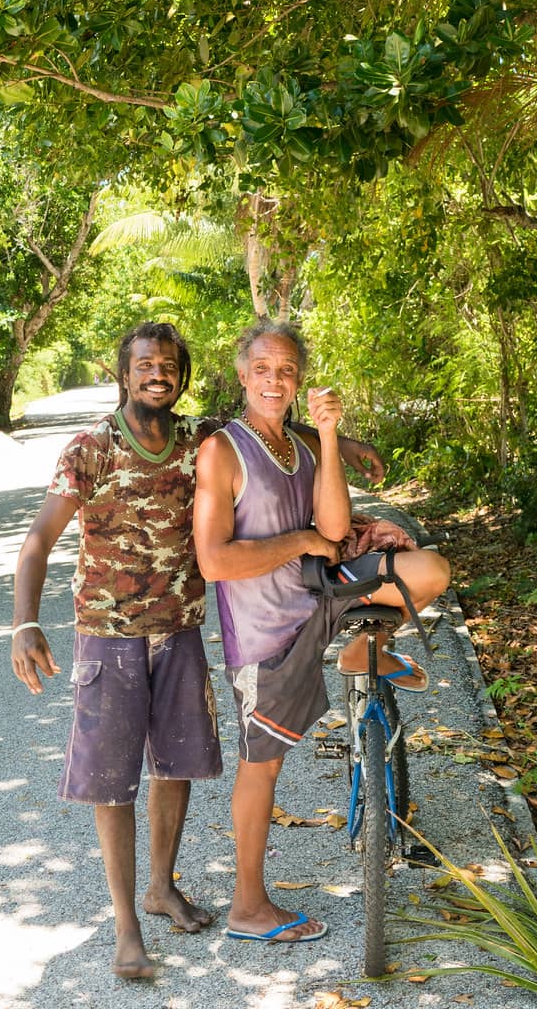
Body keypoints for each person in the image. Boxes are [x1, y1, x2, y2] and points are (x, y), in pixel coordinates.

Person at [10, 320, 385, 979]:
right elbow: (39, 540)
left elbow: (270, 417)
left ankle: (160, 886)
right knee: (114, 781)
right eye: (144, 364)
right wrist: (24, 624)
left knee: (174, 766)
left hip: (179, 628)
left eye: (168, 366)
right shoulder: (89, 449)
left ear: (180, 377)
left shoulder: (196, 437)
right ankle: (127, 926)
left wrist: (341, 444)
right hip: (109, 632)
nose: (157, 373)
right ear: (124, 373)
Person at [192, 320, 451, 943]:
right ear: (241, 374)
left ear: (299, 379)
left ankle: (365, 649)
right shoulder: (223, 451)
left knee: (429, 569)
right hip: (266, 634)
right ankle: (248, 907)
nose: (274, 381)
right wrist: (304, 541)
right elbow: (215, 562)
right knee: (264, 766)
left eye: (286, 370)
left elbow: (332, 529)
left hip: (322, 596)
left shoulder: (301, 447)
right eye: (262, 369)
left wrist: (332, 439)